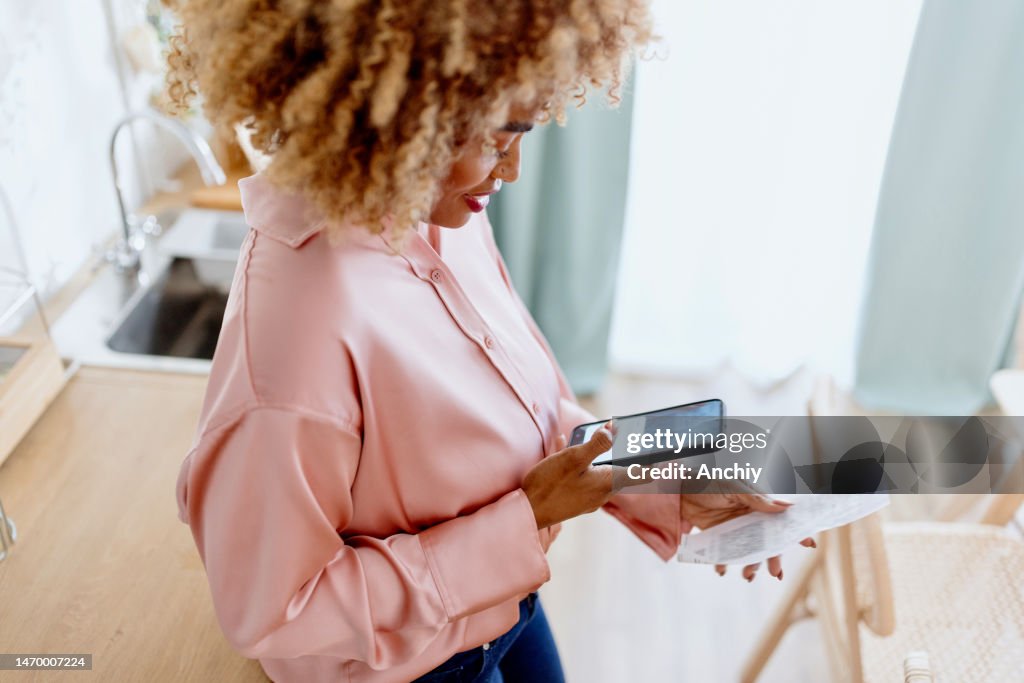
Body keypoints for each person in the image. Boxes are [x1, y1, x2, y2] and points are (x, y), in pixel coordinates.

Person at [166, 2, 812, 681]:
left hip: (505, 614)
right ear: (406, 113)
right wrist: (522, 520)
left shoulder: (441, 214)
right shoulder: (299, 335)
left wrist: (673, 475)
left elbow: (529, 420)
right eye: (500, 139)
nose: (511, 171)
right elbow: (273, 610)